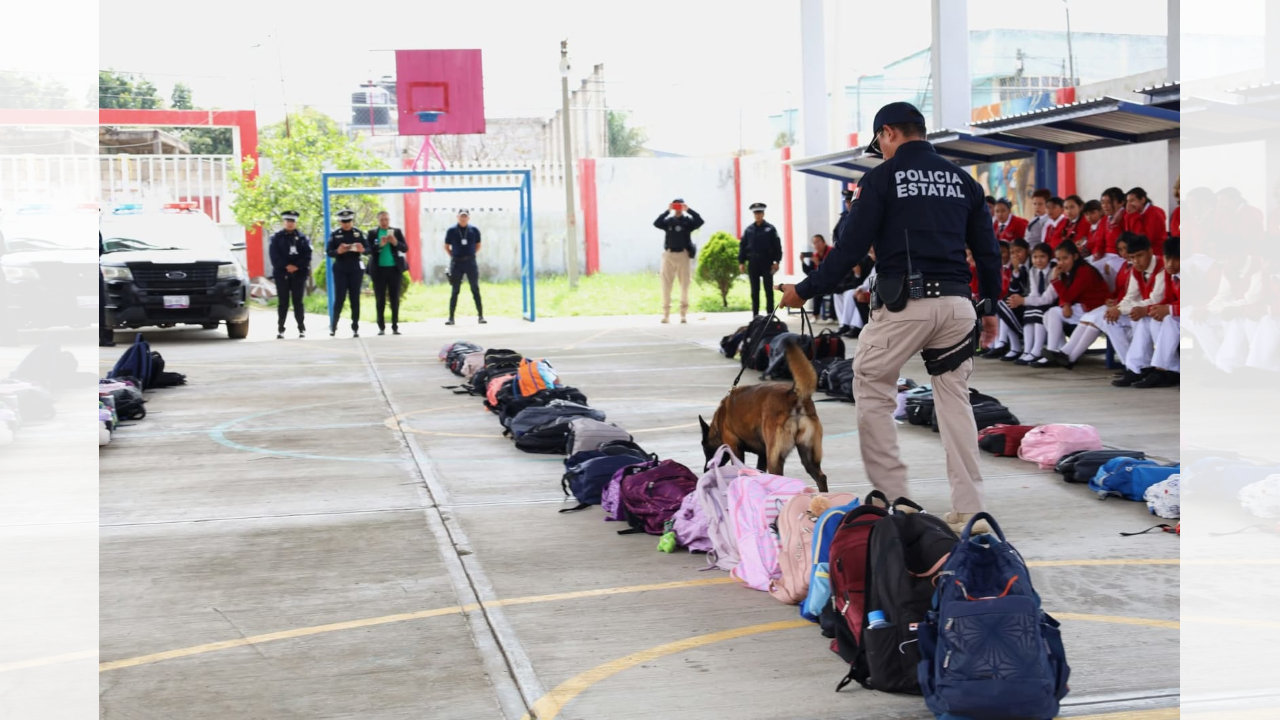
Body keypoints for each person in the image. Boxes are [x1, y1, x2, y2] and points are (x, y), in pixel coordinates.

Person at [777, 101, 1001, 533]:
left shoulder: (880, 179)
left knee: (872, 387)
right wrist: (989, 307)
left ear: (888, 133)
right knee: (954, 400)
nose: (880, 148)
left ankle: (897, 500)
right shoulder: (963, 182)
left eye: (879, 141)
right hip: (958, 306)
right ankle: (971, 510)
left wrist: (803, 290)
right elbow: (988, 252)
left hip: (905, 306)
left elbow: (849, 248)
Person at [1038, 240, 1110, 367]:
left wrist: (1055, 280)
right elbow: (1065, 296)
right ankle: (1059, 352)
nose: (1061, 262)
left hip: (1093, 308)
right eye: (1058, 259)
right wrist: (1065, 304)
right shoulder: (1068, 271)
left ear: (1075, 256)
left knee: (1053, 312)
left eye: (1065, 258)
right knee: (1048, 314)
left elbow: (1068, 295)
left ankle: (1053, 352)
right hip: (1080, 308)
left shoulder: (1084, 271)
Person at [1125, 237, 1181, 388]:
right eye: (1167, 259)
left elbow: (1196, 303)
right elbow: (1168, 298)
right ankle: (1138, 367)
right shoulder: (1170, 273)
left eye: (1176, 259)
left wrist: (1168, 309)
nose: (1170, 264)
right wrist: (1152, 309)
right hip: (1180, 313)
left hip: (1196, 314)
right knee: (1149, 318)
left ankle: (1163, 369)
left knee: (1168, 319)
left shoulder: (1192, 273)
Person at [654, 198, 704, 323]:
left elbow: (700, 221)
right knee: (666, 285)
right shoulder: (669, 221)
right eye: (675, 206)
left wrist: (689, 210)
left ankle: (683, 314)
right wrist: (667, 211)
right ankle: (666, 315)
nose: (677, 209)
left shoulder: (687, 222)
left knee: (684, 285)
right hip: (669, 255)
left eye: (679, 206)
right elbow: (657, 223)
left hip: (683, 255)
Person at [269, 210, 312, 339]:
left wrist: (296, 266)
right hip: (282, 274)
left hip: (298, 274)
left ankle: (301, 328)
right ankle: (281, 328)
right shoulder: (276, 238)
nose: (290, 223)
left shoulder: (303, 238)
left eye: (292, 221)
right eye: (288, 221)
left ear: (296, 222)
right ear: (284, 222)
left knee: (298, 302)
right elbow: (274, 256)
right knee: (283, 302)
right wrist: (286, 266)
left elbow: (307, 255)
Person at [366, 211, 408, 335]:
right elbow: (368, 250)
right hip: (378, 271)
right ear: (378, 221)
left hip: (394, 270)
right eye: (382, 220)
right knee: (380, 299)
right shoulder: (372, 233)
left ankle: (395, 326)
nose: (384, 222)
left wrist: (395, 242)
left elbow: (405, 248)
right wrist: (380, 245)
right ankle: (381, 327)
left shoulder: (396, 232)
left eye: (386, 219)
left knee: (395, 299)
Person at [1015, 242, 1058, 365]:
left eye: (1042, 256)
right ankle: (1028, 349)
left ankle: (1037, 349)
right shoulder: (1033, 270)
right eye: (1035, 257)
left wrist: (1024, 300)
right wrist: (1026, 301)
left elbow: (1049, 298)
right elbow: (1034, 293)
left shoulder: (1054, 270)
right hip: (1041, 302)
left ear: (1049, 257)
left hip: (1054, 303)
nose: (1038, 260)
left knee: (1037, 310)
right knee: (1029, 311)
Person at [326, 208, 366, 338]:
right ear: (339, 222)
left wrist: (362, 249)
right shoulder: (335, 234)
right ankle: (334, 326)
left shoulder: (358, 233)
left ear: (352, 220)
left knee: (355, 298)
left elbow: (368, 249)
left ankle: (355, 327)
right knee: (340, 298)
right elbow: (329, 252)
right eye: (344, 221)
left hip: (355, 269)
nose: (346, 224)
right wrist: (338, 251)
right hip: (341, 269)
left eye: (348, 221)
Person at [739, 202, 783, 315]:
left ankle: (770, 315)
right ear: (754, 215)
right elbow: (743, 246)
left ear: (763, 214)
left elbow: (777, 246)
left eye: (759, 213)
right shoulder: (749, 230)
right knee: (754, 291)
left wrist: (777, 261)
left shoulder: (770, 229)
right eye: (756, 213)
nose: (758, 215)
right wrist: (741, 262)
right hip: (753, 263)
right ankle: (755, 315)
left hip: (767, 263)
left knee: (768, 290)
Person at [444, 209, 484, 326]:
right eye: (461, 216)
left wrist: (471, 254)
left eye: (465, 216)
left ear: (468, 218)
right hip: (457, 263)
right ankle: (451, 317)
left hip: (470, 262)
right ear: (458, 217)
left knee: (475, 288)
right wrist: (453, 256)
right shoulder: (451, 230)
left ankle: (481, 316)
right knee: (455, 290)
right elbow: (446, 246)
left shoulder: (474, 230)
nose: (463, 218)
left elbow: (478, 245)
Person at [1123, 187, 1168, 256]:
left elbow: (1145, 240)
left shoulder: (1154, 213)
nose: (1128, 204)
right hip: (1138, 253)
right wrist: (1129, 215)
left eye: (1132, 201)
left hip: (1155, 254)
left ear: (1142, 200)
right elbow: (1128, 236)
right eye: (1127, 201)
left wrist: (1133, 215)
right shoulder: (1135, 213)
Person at [802, 234, 831, 318]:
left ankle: (832, 316)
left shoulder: (831, 252)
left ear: (824, 242)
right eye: (814, 243)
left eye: (818, 242)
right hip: (822, 282)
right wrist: (802, 261)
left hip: (833, 280)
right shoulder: (815, 256)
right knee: (815, 287)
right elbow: (809, 272)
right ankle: (816, 315)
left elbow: (831, 270)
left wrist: (818, 263)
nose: (816, 245)